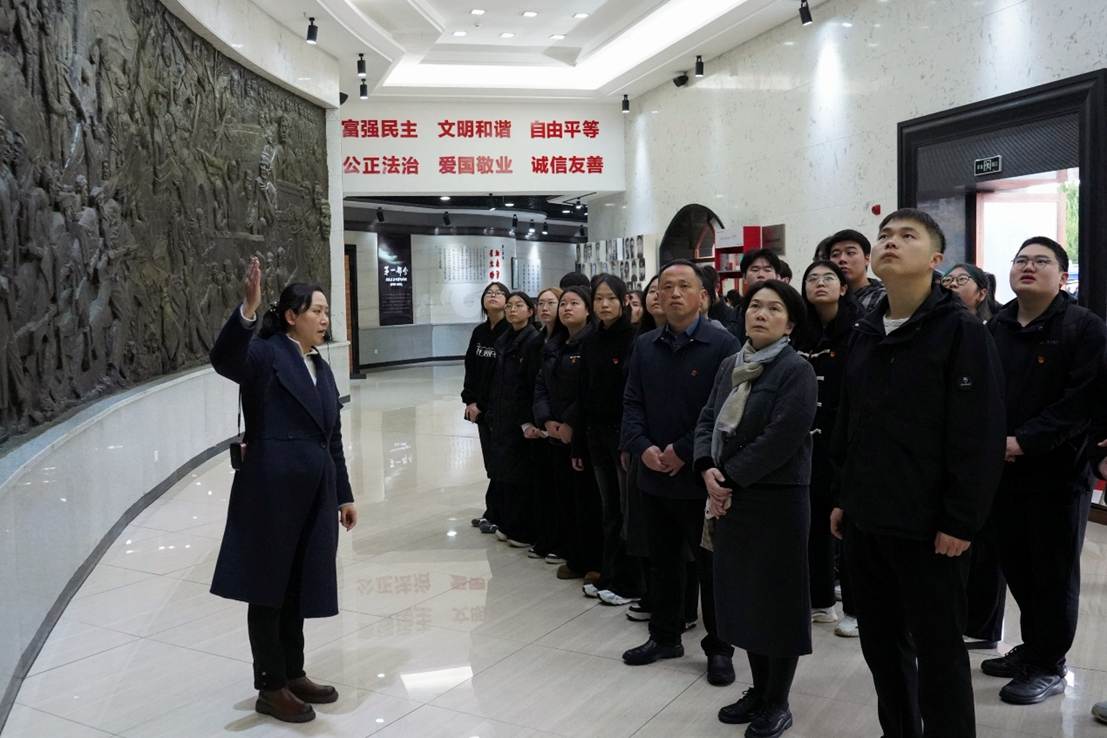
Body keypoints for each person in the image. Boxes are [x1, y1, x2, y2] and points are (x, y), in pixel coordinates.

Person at [830, 209, 1006, 738]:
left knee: (939, 653)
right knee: (882, 648)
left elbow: (979, 433)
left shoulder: (960, 330)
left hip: (930, 527)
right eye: (884, 235)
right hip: (867, 518)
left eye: (907, 236)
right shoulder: (866, 327)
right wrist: (843, 495)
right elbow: (849, 418)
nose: (891, 242)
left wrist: (960, 519)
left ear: (935, 259)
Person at [209, 257, 358, 724]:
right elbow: (225, 359)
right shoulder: (266, 354)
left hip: (314, 493)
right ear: (292, 316)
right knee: (268, 587)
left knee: (298, 585)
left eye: (327, 311)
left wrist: (344, 494)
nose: (325, 319)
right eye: (317, 310)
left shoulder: (320, 367)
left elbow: (331, 437)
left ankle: (293, 671)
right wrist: (248, 310)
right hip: (271, 493)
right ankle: (270, 686)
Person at [981, 236, 1107, 705]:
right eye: (1021, 260)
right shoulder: (997, 326)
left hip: (1058, 472)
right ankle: (1033, 648)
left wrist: (1025, 441)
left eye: (1040, 261)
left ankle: (1050, 663)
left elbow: (1082, 400)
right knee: (1017, 564)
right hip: (1002, 470)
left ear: (1062, 275)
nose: (1028, 267)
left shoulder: (1083, 327)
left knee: (1052, 572)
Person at [695, 280, 817, 738]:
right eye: (754, 306)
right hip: (731, 497)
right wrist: (705, 467)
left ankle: (778, 701)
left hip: (777, 499)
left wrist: (728, 476)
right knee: (743, 598)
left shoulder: (795, 370)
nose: (761, 314)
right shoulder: (731, 363)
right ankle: (759, 690)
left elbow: (783, 436)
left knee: (777, 603)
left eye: (773, 308)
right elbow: (708, 418)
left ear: (790, 323)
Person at [620, 259, 740, 687]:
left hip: (699, 478)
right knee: (663, 563)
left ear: (702, 296)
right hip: (653, 475)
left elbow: (725, 412)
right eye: (665, 286)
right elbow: (631, 402)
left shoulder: (723, 345)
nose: (672, 293)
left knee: (711, 569)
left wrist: (682, 451)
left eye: (683, 286)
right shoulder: (645, 345)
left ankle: (720, 649)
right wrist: (643, 447)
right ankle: (665, 636)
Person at [940, 263, 1007, 650]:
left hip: (991, 453)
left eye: (961, 280)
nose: (951, 284)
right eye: (947, 280)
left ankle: (983, 627)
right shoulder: (939, 332)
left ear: (982, 293)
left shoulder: (988, 332)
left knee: (984, 548)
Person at [795, 260, 862, 637]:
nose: (819, 283)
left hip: (844, 439)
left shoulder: (858, 330)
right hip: (805, 442)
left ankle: (856, 607)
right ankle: (820, 601)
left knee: (846, 525)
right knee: (813, 525)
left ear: (843, 288)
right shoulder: (799, 331)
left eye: (828, 278)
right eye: (812, 279)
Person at [575, 274, 641, 605]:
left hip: (622, 437)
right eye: (599, 298)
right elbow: (584, 393)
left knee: (628, 512)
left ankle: (629, 581)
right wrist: (579, 441)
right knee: (610, 510)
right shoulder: (590, 339)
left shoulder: (635, 338)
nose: (604, 304)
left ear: (624, 301)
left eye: (611, 298)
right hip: (596, 435)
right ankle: (609, 573)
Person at [533, 286, 601, 580]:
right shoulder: (554, 344)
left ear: (588, 309)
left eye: (574, 303)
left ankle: (594, 561)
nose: (567, 308)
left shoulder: (593, 343)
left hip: (581, 435)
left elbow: (588, 390)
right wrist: (547, 420)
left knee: (588, 500)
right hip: (555, 434)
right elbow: (541, 385)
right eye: (564, 304)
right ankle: (574, 556)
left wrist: (570, 424)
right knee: (565, 498)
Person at [486, 292, 545, 548]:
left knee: (521, 476)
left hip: (521, 419)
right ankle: (507, 522)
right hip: (503, 415)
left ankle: (522, 529)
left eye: (518, 305)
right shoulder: (504, 340)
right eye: (509, 306)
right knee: (505, 472)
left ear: (530, 311)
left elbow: (530, 385)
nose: (512, 310)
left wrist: (528, 420)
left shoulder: (532, 341)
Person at [464, 282, 511, 534]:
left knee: (502, 462)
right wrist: (470, 401)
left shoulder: (510, 331)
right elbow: (470, 367)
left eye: (499, 293)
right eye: (489, 293)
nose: (493, 296)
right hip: (480, 410)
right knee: (491, 462)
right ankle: (493, 510)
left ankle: (497, 513)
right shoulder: (480, 332)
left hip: (500, 410)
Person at [528, 287, 564, 561]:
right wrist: (539, 419)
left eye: (552, 302)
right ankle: (544, 536)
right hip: (540, 422)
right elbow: (533, 384)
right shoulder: (536, 340)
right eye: (541, 303)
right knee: (543, 486)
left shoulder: (568, 341)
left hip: (562, 426)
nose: (545, 308)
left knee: (560, 488)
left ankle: (559, 541)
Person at [821, 229, 886, 312]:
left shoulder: (884, 297)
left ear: (867, 258)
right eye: (835, 255)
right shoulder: (825, 298)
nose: (842, 259)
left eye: (850, 253)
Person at [734, 249, 783, 342]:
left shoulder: (786, 311)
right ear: (744, 277)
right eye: (755, 270)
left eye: (767, 270)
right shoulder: (733, 316)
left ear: (777, 276)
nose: (761, 275)